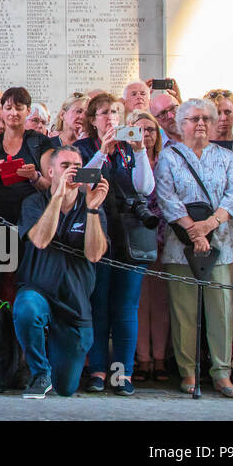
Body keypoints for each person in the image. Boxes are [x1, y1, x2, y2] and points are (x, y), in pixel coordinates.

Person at [155, 98, 233, 397]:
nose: (201, 123)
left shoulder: (226, 157)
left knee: (221, 310)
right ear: (182, 124)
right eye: (194, 119)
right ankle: (188, 371)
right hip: (180, 245)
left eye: (206, 118)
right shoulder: (169, 157)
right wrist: (193, 231)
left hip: (220, 244)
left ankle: (222, 372)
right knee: (184, 312)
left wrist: (207, 226)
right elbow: (167, 197)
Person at [73, 93, 156, 395]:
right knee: (99, 305)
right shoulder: (82, 148)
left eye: (116, 112)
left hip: (129, 235)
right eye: (105, 112)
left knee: (125, 307)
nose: (111, 118)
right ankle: (97, 370)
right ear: (93, 119)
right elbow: (80, 184)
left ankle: (122, 373)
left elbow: (145, 188)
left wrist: (142, 152)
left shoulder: (129, 149)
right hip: (96, 230)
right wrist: (101, 152)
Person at [14, 146, 109, 398]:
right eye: (66, 166)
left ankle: (54, 372)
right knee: (26, 309)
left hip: (75, 302)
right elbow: (41, 239)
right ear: (51, 172)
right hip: (39, 290)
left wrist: (92, 209)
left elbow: (94, 254)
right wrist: (57, 197)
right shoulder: (34, 202)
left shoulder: (93, 204)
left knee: (65, 388)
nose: (72, 172)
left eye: (77, 167)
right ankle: (39, 372)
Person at [0, 87, 54, 329]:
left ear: (28, 111)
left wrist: (35, 176)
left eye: (19, 108)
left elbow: (51, 187)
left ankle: (28, 354)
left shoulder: (40, 142)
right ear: (2, 110)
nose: (13, 113)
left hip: (30, 226)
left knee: (28, 291)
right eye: (8, 108)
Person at [128, 110, 170, 384]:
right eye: (140, 129)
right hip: (139, 234)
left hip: (168, 234)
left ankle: (160, 358)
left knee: (162, 300)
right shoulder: (128, 158)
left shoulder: (168, 159)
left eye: (151, 129)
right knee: (141, 300)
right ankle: (143, 358)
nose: (146, 135)